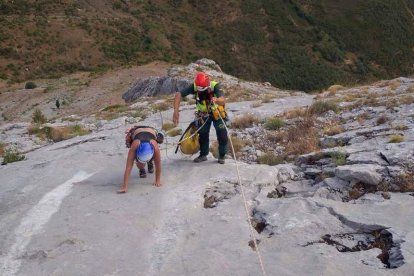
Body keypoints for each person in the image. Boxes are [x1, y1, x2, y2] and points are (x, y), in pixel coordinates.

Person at [173, 72, 228, 164]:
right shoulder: (195, 86)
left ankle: (222, 156)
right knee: (202, 134)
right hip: (203, 115)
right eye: (199, 89)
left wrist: (217, 100)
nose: (201, 91)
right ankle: (203, 155)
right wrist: (175, 111)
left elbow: (222, 100)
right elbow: (179, 94)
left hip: (217, 113)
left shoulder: (215, 86)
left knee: (222, 134)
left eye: (203, 89)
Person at [118, 127, 162, 193]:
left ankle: (150, 161)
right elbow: (128, 167)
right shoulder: (134, 146)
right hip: (137, 130)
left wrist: (157, 180)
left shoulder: (155, 147)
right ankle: (142, 168)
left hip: (151, 130)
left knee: (155, 158)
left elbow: (158, 166)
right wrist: (125, 187)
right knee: (140, 165)